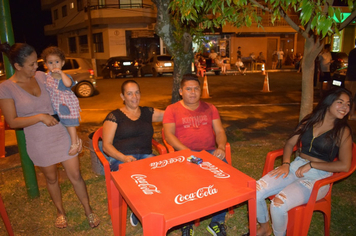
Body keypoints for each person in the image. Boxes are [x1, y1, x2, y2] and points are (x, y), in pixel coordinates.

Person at [0, 42, 99, 229]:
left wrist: (74, 133)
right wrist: (40, 117)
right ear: (18, 66)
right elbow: (12, 122)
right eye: (31, 64)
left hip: (61, 133)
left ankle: (88, 210)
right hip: (38, 140)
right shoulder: (6, 88)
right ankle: (60, 212)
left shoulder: (41, 76)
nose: (36, 66)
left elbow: (64, 96)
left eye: (36, 62)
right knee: (52, 179)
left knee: (76, 175)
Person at [245, 87, 353, 236]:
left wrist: (312, 165)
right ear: (328, 102)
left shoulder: (342, 131)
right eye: (340, 102)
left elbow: (345, 165)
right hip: (296, 166)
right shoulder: (310, 121)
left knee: (278, 204)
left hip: (319, 177)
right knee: (255, 190)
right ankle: (264, 228)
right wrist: (286, 164)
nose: (345, 107)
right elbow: (290, 143)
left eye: (348, 104)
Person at [163, 74, 228, 236]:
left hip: (210, 153)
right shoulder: (172, 110)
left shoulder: (210, 108)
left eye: (196, 89)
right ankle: (187, 223)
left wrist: (221, 147)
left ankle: (217, 221)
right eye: (188, 89)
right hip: (185, 154)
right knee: (187, 186)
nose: (193, 92)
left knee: (226, 178)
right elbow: (169, 134)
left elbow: (220, 131)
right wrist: (187, 152)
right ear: (180, 91)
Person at [101, 79, 164, 226]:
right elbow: (106, 145)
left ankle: (147, 209)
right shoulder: (115, 116)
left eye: (136, 92)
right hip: (121, 158)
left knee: (160, 175)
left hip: (146, 156)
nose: (134, 97)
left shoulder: (148, 112)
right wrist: (123, 157)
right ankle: (140, 211)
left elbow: (170, 114)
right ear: (122, 97)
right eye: (129, 93)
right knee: (139, 179)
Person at [41, 46, 82, 155]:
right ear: (45, 64)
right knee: (60, 125)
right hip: (55, 105)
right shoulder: (47, 76)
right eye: (50, 62)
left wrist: (61, 73)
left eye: (57, 62)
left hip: (66, 105)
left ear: (62, 63)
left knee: (70, 124)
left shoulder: (65, 76)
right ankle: (75, 141)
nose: (54, 65)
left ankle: (75, 143)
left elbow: (68, 84)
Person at [344, 47, 356, 119]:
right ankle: (350, 114)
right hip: (353, 77)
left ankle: (349, 113)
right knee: (352, 96)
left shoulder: (352, 51)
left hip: (349, 76)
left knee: (350, 96)